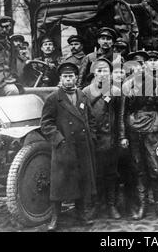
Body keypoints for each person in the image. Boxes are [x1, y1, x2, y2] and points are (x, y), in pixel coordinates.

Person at [40, 62, 97, 231]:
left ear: (76, 78)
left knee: (81, 181)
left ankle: (81, 214)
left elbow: (90, 118)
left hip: (82, 146)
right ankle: (55, 217)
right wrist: (59, 140)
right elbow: (46, 124)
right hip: (64, 147)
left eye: (71, 77)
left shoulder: (82, 95)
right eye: (65, 77)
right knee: (60, 184)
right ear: (60, 79)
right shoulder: (53, 98)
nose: (68, 80)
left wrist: (91, 136)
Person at [118, 50, 158, 220]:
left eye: (141, 65)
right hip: (134, 132)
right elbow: (122, 113)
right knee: (139, 169)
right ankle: (142, 206)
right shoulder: (126, 86)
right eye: (134, 66)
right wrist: (122, 136)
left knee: (156, 169)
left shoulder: (157, 84)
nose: (138, 69)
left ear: (146, 66)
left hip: (153, 131)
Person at [82, 58, 122, 219]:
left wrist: (120, 136)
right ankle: (96, 205)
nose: (102, 74)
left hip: (111, 139)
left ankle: (111, 205)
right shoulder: (85, 92)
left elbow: (119, 115)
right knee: (95, 174)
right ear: (93, 73)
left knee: (112, 173)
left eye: (105, 70)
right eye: (99, 71)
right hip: (94, 140)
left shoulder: (115, 91)